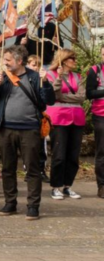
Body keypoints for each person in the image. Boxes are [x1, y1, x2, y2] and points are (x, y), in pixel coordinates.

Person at [0, 45, 55, 221]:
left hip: (30, 129)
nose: (5, 63)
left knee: (33, 169)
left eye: (8, 60)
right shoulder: (3, 77)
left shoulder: (34, 77)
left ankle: (33, 206)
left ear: (19, 61)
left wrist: (46, 83)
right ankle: (10, 202)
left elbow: (48, 101)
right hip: (6, 128)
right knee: (7, 168)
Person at [45, 49, 86, 200]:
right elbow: (53, 94)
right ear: (63, 60)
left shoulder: (78, 76)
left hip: (77, 119)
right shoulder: (50, 75)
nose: (75, 61)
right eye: (72, 59)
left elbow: (81, 97)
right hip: (58, 119)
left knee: (73, 155)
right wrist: (60, 78)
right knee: (59, 155)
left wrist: (64, 97)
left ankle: (68, 185)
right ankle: (56, 186)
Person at [86, 45, 104, 199]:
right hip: (101, 116)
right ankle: (102, 186)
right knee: (102, 152)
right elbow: (89, 93)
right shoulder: (95, 70)